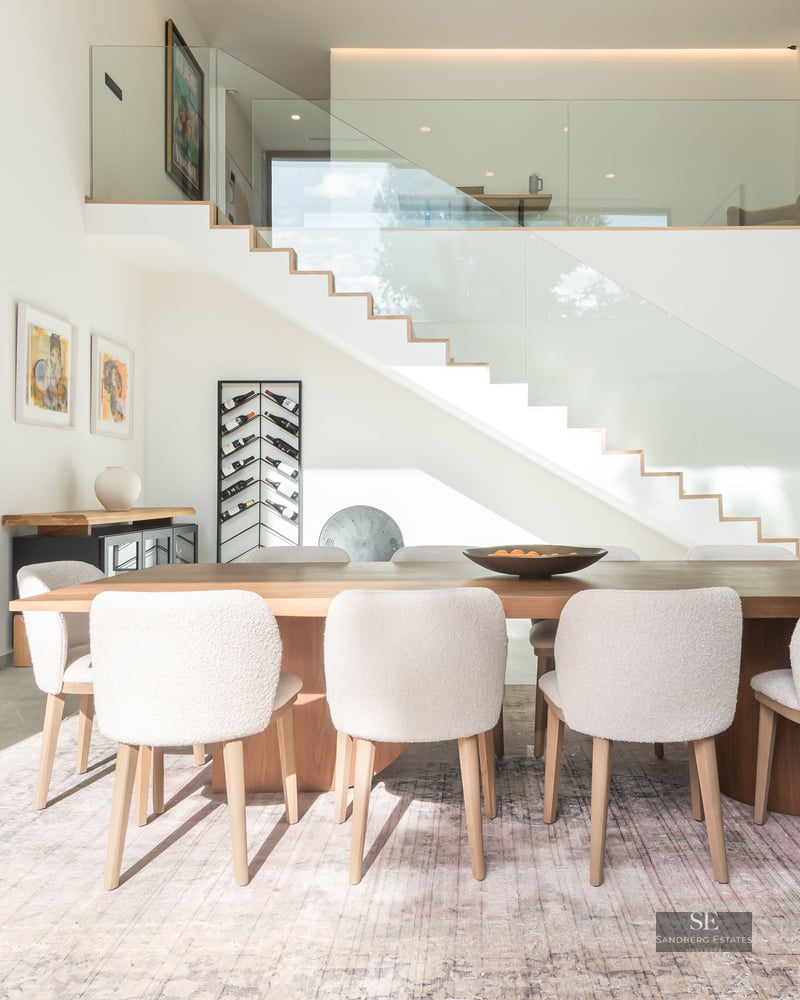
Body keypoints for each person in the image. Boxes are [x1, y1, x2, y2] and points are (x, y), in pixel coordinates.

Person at [41, 334, 67, 412]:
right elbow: (44, 388)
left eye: (57, 354)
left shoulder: (59, 369)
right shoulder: (47, 366)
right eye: (53, 354)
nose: (55, 357)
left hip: (56, 402)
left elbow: (60, 388)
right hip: (48, 399)